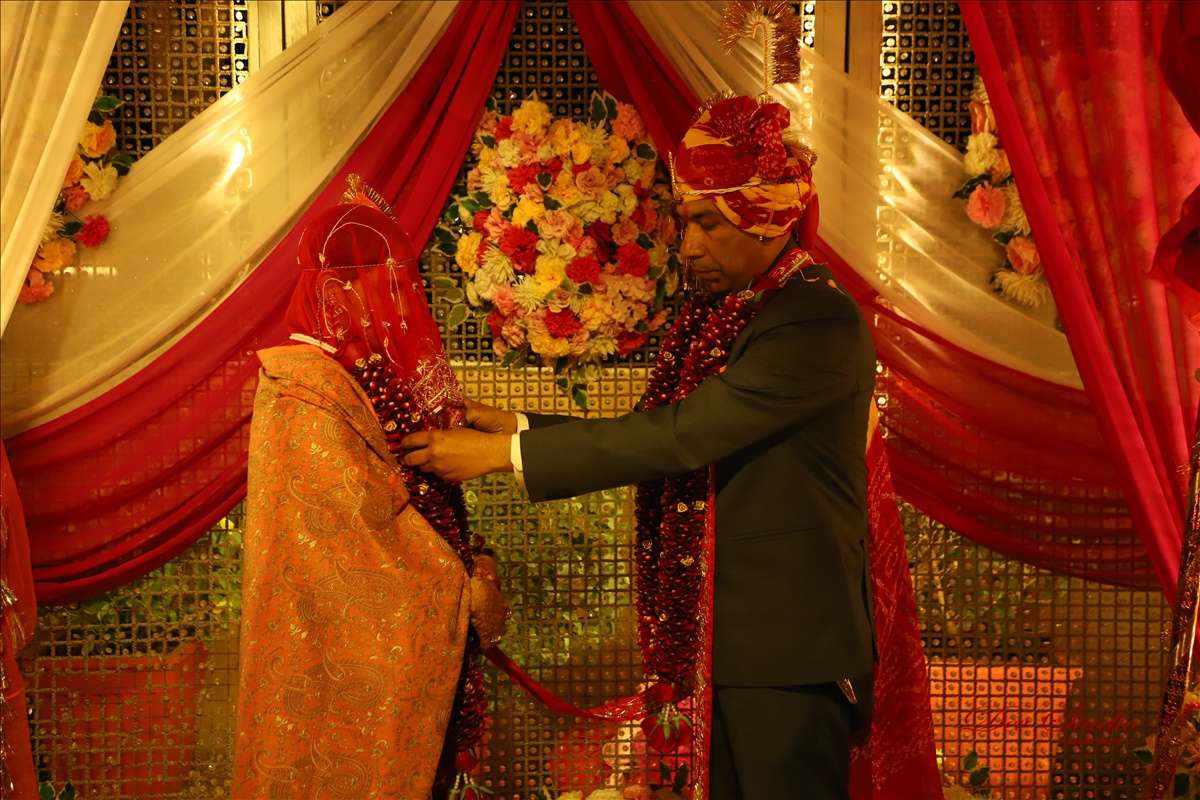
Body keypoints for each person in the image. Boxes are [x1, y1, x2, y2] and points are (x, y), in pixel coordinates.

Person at [402, 97, 877, 799]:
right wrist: (515, 424)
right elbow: (665, 425)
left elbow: (685, 435)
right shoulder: (733, 309)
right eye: (687, 223)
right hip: (726, 643)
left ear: (766, 219)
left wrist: (502, 458)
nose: (688, 249)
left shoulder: (812, 318)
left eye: (709, 224)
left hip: (788, 652)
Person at [233, 185, 508, 799]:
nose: (407, 310)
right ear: (338, 295)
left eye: (410, 289)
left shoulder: (362, 375)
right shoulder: (302, 390)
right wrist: (464, 587)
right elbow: (350, 552)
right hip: (330, 675)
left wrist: (477, 563)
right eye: (393, 289)